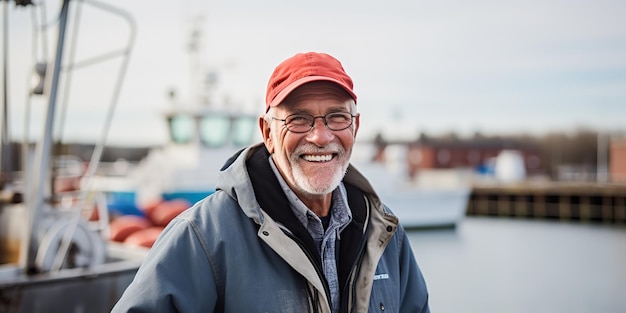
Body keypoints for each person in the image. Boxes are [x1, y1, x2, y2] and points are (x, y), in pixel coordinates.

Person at [112, 52, 430, 313]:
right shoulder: (203, 236)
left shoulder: (385, 234)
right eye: (298, 119)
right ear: (267, 133)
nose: (320, 136)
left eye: (337, 117)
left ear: (355, 127)